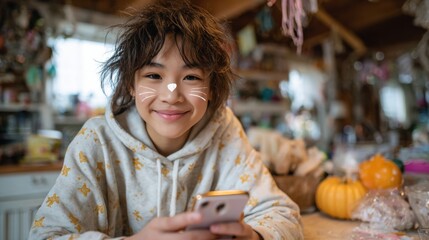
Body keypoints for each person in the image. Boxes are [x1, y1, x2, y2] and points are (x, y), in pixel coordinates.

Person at [28, 1, 303, 239]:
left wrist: (253, 236)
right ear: (131, 85)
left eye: (191, 77)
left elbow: (283, 216)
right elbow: (45, 235)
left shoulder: (224, 130)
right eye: (154, 76)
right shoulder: (97, 141)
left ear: (210, 89)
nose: (171, 96)